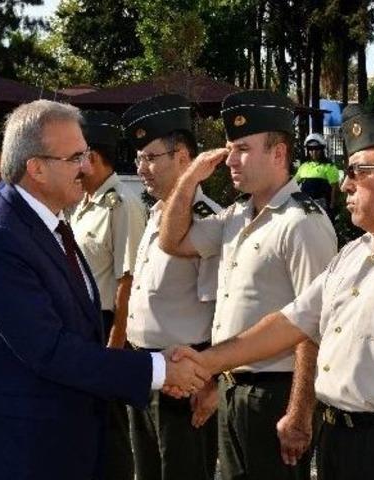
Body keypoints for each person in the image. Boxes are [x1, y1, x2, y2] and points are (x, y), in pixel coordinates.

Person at [173, 100, 374, 480]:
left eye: (358, 172)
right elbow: (291, 322)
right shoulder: (355, 253)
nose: (344, 183)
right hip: (336, 444)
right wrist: (205, 363)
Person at [0, 99, 210, 480]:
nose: (87, 167)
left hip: (40, 436)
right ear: (36, 168)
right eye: (74, 158)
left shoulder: (45, 222)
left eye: (85, 154)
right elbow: (49, 349)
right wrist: (158, 369)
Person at [160, 89, 337, 480]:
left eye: (242, 149)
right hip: (231, 388)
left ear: (278, 154)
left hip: (276, 393)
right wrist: (188, 180)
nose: (230, 161)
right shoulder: (236, 216)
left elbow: (315, 323)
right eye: (228, 150)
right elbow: (171, 241)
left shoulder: (302, 222)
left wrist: (300, 411)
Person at [120, 94, 221, 480]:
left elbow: (219, 311)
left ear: (184, 159)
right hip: (147, 371)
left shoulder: (205, 221)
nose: (141, 168)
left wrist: (209, 379)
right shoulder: (157, 214)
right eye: (139, 158)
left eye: (150, 157)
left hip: (185, 382)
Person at [70, 110, 147, 480]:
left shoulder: (123, 204)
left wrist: (115, 349)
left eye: (77, 158)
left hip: (108, 328)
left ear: (94, 158)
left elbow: (127, 280)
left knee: (112, 426)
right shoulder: (83, 205)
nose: (74, 166)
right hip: (82, 327)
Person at [295, 133, 340, 215]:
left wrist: (332, 206)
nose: (314, 152)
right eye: (311, 149)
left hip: (323, 206)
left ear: (322, 149)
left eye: (317, 149)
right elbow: (294, 184)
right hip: (305, 205)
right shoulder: (303, 167)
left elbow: (335, 188)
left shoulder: (329, 166)